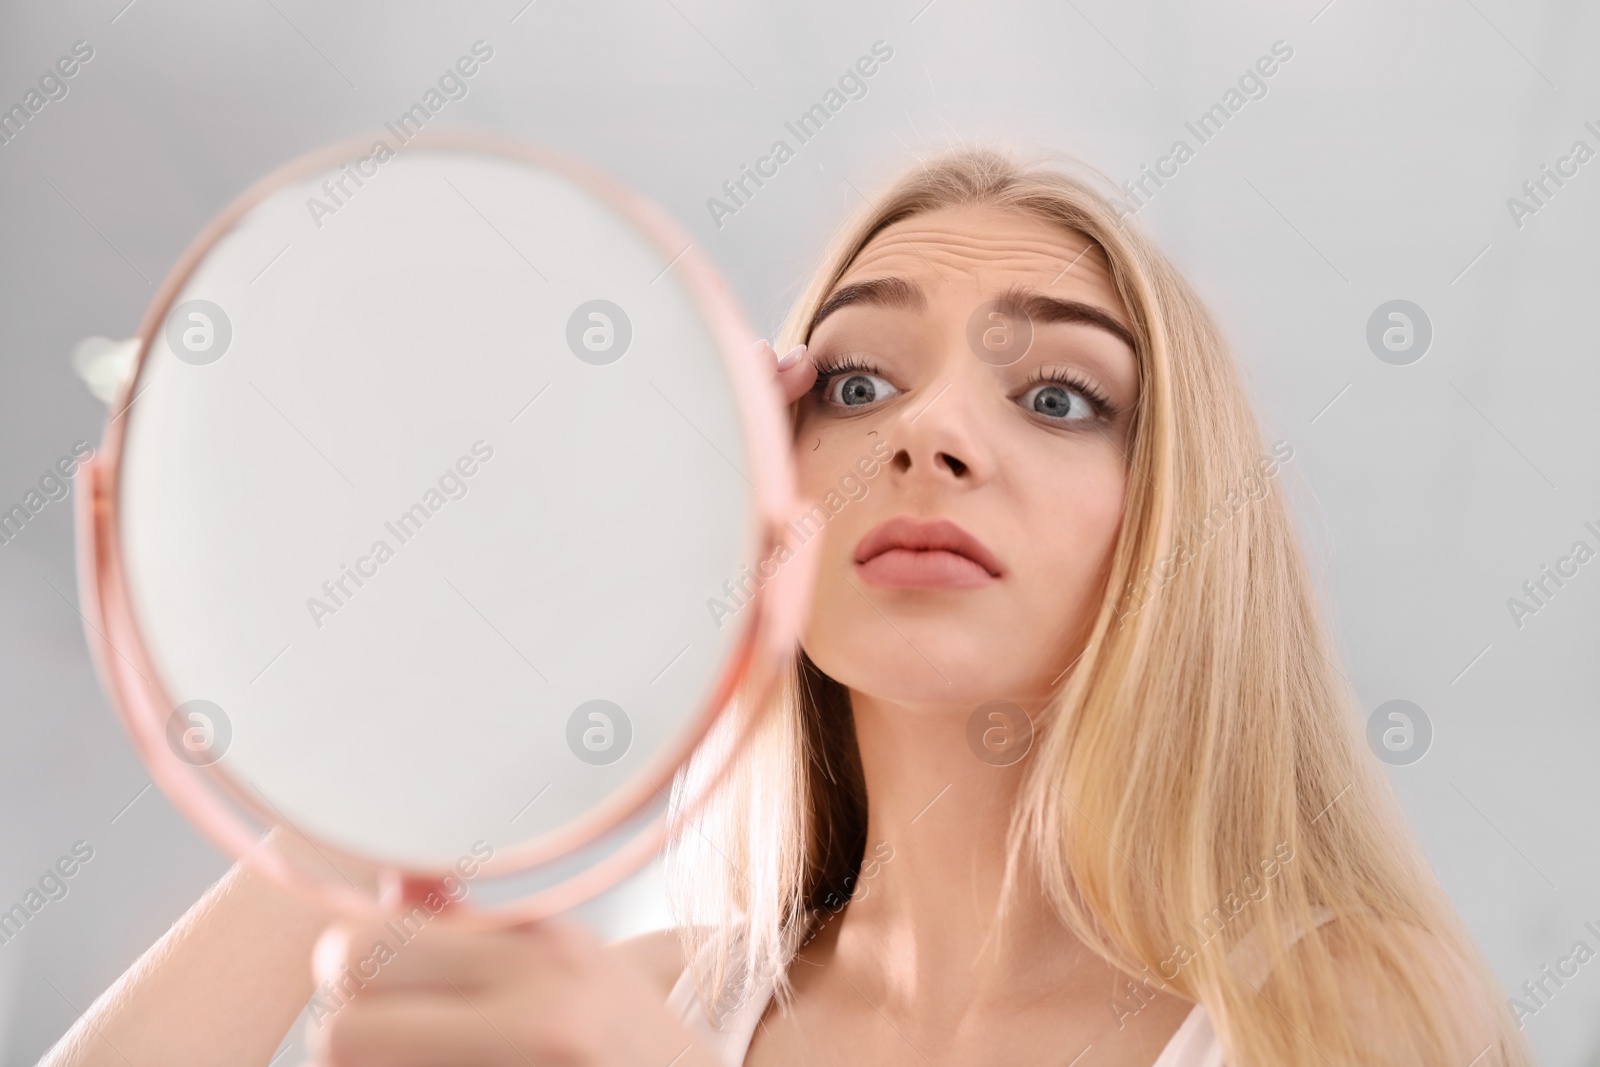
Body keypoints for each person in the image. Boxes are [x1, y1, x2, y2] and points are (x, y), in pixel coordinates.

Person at [41, 149, 1530, 1067]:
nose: (929, 433)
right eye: (861, 382)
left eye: (1059, 395)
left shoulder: (1351, 1016)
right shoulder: (650, 1003)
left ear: (1179, 526)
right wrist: (417, 734)